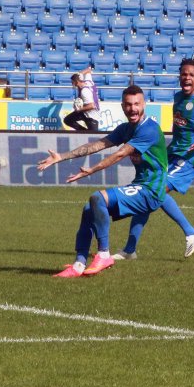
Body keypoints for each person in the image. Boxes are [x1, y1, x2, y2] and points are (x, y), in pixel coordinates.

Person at [37, 85, 167, 278]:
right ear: (123, 106)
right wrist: (61, 156)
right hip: (140, 186)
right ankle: (79, 265)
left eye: (137, 104)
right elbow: (98, 145)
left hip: (151, 191)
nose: (133, 109)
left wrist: (91, 170)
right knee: (89, 209)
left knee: (98, 198)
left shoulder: (149, 129)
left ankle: (104, 254)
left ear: (144, 105)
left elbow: (120, 154)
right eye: (128, 104)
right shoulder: (125, 129)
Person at [115, 56, 194, 260]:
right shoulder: (178, 98)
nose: (186, 77)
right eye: (183, 74)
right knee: (147, 195)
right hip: (172, 153)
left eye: (191, 75)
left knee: (153, 190)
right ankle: (130, 250)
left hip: (189, 158)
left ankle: (191, 232)